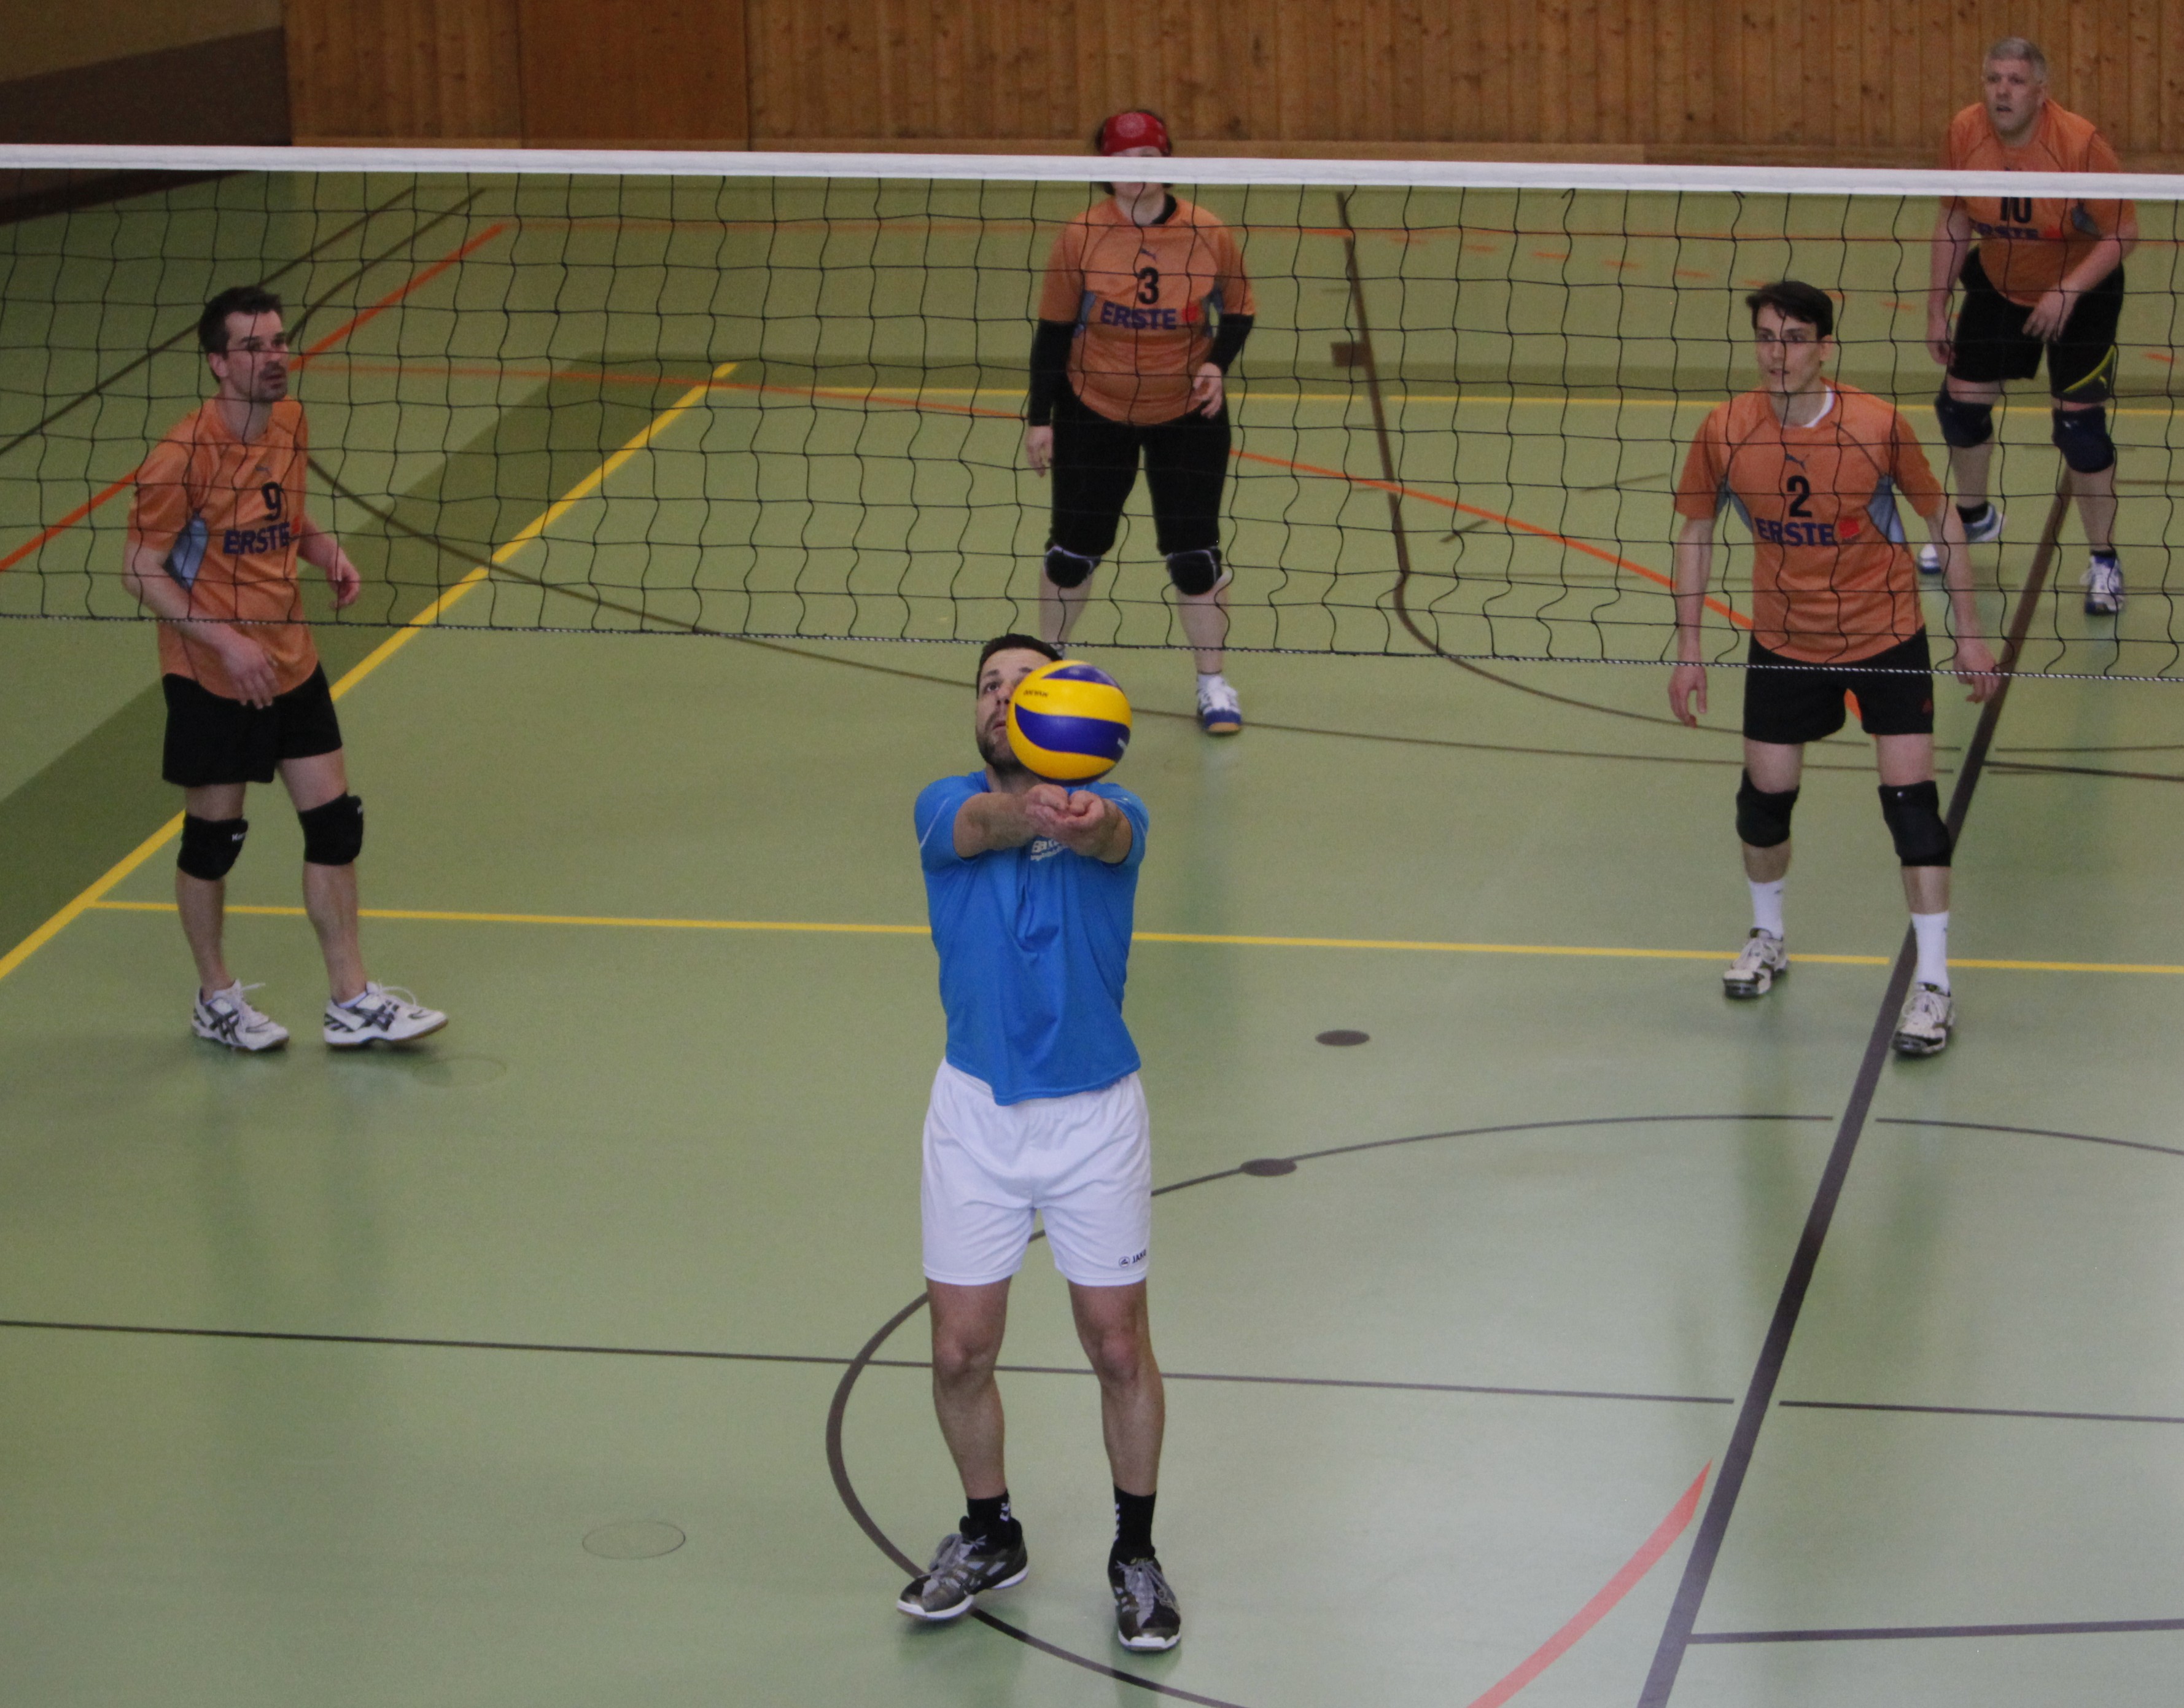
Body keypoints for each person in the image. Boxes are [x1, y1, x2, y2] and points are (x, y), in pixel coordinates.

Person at [898, 634, 1179, 1651]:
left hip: (1093, 1119)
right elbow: (981, 824)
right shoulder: (944, 804)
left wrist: (1086, 818)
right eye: (988, 686)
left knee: (1117, 1346)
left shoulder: (1118, 810)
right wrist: (1032, 810)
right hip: (974, 1114)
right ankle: (990, 1532)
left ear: (1062, 710)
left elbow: (1112, 840)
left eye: (1024, 685)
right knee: (958, 1351)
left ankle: (1134, 1553)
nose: (1001, 698)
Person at [1670, 281, 1999, 1058]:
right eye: (1765, 337)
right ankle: (1767, 935)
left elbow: (1941, 519)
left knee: (1911, 809)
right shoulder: (1724, 430)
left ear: (1824, 347)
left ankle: (1933, 984)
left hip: (1886, 636)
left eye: (1793, 339)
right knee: (1761, 804)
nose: (1776, 354)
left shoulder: (1875, 426)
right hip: (1784, 642)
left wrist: (1968, 634)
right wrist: (1688, 650)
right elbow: (1693, 533)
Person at [122, 285, 446, 1053]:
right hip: (212, 673)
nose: (273, 357)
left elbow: (282, 515)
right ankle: (215, 999)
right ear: (217, 363)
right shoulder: (179, 458)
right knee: (214, 842)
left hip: (290, 657)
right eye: (253, 347)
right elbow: (140, 569)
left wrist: (324, 550)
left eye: (278, 341)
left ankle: (351, 1000)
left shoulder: (291, 420)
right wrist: (227, 644)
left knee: (335, 826)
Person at [1024, 109, 1256, 735]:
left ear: (1168, 161)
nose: (1136, 171)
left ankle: (1212, 684)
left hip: (1187, 413)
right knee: (1071, 554)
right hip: (1092, 406)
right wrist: (1040, 417)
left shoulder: (1207, 232)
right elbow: (1051, 333)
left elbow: (1238, 310)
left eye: (1148, 158)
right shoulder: (1080, 236)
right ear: (1103, 168)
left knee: (1194, 557)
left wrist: (1216, 364)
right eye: (1121, 160)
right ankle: (1047, 668)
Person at [1924, 36, 2137, 615]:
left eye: (2015, 81)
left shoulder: (2079, 144)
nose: (2002, 91)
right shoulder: (1964, 132)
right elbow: (1953, 218)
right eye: (1993, 79)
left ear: (2040, 91)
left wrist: (2067, 290)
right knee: (1958, 409)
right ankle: (1973, 517)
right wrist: (1937, 305)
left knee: (2079, 431)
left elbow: (2123, 233)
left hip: (2081, 290)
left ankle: (2104, 560)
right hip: (1999, 281)